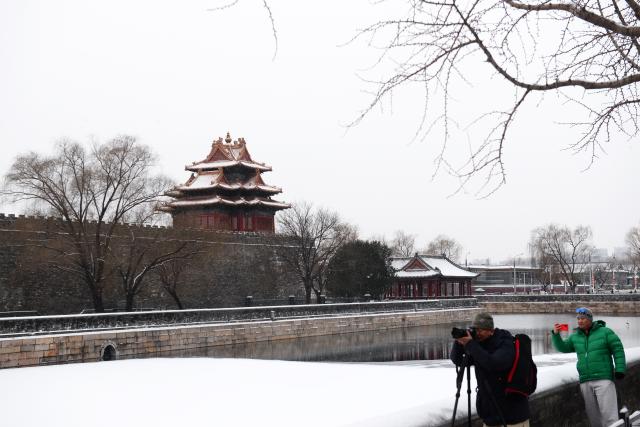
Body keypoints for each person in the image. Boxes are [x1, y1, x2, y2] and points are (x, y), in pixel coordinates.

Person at [451, 312, 530, 427]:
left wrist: (471, 345)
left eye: (480, 330)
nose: (477, 334)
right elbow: (458, 360)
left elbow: (493, 363)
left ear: (491, 330)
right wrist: (459, 343)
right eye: (475, 330)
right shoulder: (479, 345)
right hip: (491, 416)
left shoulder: (505, 343)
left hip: (512, 417)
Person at [552, 307, 626, 427]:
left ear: (590, 319)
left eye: (583, 318)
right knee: (593, 418)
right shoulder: (575, 336)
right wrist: (556, 335)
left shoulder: (605, 332)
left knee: (609, 417)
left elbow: (618, 350)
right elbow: (563, 348)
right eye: (578, 319)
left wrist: (620, 369)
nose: (580, 321)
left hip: (604, 379)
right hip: (585, 380)